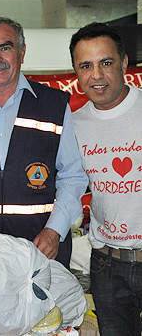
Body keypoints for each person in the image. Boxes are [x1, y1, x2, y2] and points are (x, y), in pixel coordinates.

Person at [0, 16, 88, 268]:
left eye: (5, 48)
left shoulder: (55, 105)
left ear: (21, 52)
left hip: (41, 250)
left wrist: (54, 231)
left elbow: (73, 177)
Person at [71, 22, 142, 335]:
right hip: (105, 266)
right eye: (86, 66)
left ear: (124, 63)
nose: (96, 76)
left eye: (106, 63)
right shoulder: (74, 125)